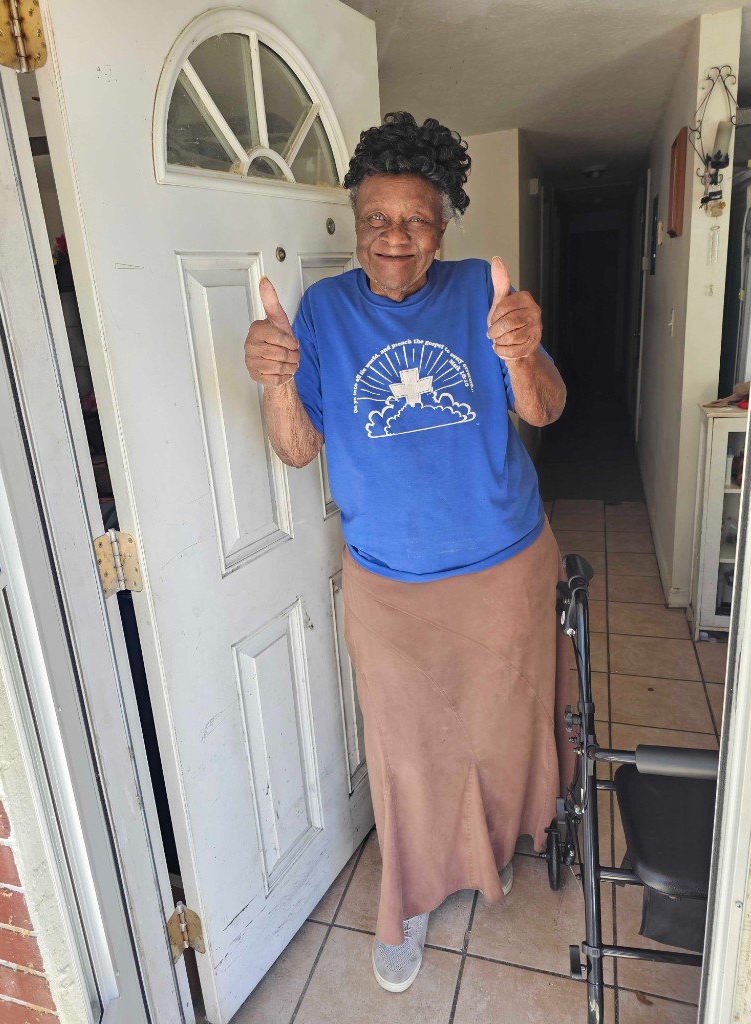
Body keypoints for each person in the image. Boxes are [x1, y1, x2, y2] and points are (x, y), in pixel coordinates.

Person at [244, 111, 573, 993]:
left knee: (503, 723)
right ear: (357, 222)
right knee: (405, 746)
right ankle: (414, 895)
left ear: (444, 223)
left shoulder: (482, 293)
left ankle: (506, 841)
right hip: (387, 582)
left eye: (415, 219)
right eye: (377, 219)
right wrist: (277, 380)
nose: (394, 237)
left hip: (502, 560)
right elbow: (297, 449)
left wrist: (525, 350)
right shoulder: (322, 311)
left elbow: (543, 410)